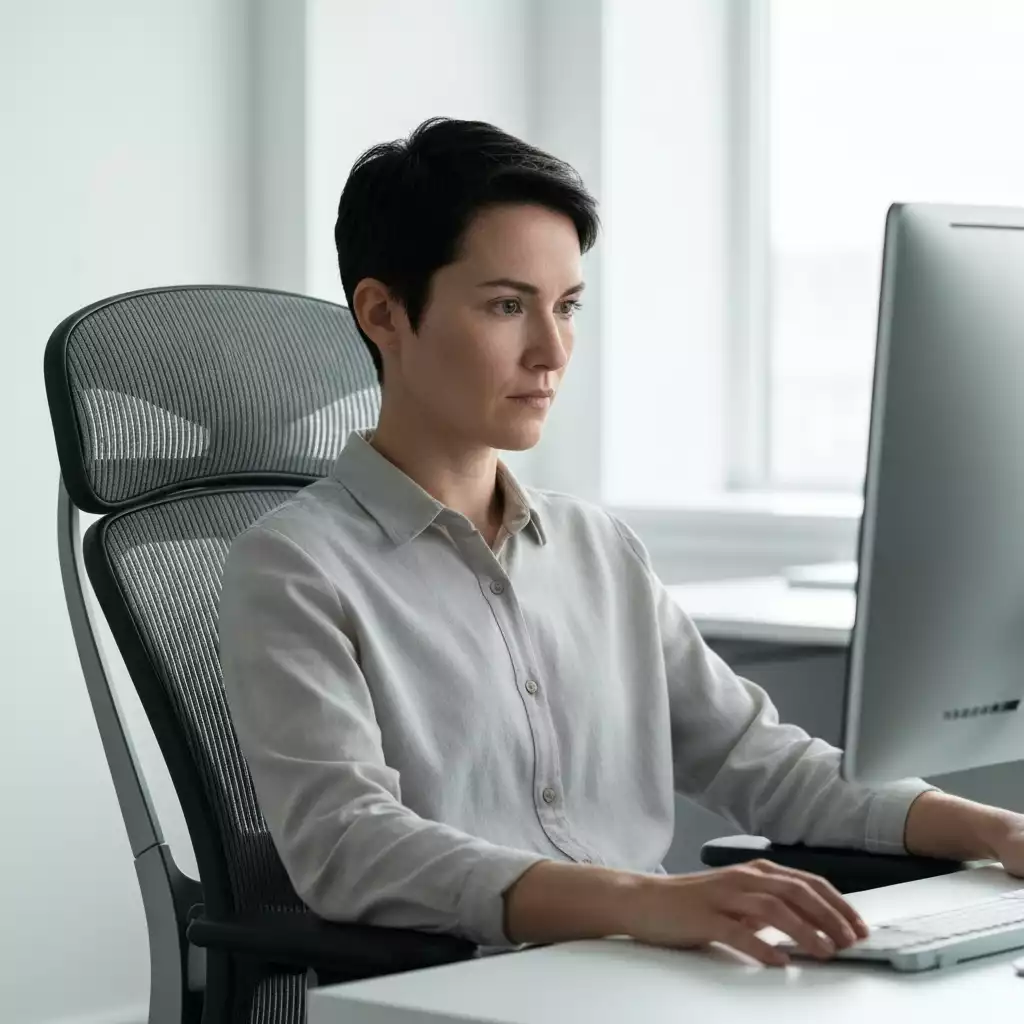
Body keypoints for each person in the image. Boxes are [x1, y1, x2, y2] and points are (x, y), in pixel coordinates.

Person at [218, 116, 1024, 967]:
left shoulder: (596, 547)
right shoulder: (294, 568)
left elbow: (762, 763)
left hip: (643, 973)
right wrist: (650, 901)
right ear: (384, 312)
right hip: (471, 988)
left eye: (566, 307)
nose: (552, 350)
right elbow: (350, 848)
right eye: (506, 306)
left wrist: (996, 829)